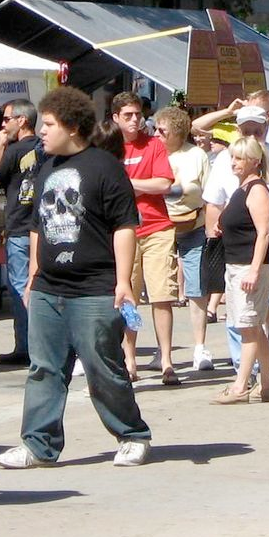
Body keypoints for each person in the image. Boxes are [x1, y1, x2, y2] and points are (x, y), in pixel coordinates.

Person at [0, 86, 151, 469]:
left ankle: (132, 435)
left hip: (94, 288)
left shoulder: (105, 167)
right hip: (50, 286)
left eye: (48, 124)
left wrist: (123, 282)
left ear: (71, 127)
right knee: (44, 368)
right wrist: (33, 274)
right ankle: (38, 445)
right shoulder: (45, 166)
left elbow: (124, 227)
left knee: (103, 368)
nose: (42, 131)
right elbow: (37, 226)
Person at [205, 97, 269, 380]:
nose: (252, 136)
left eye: (258, 131)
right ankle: (244, 368)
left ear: (267, 129)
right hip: (239, 248)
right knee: (240, 310)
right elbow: (214, 202)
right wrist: (212, 231)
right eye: (246, 130)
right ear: (238, 131)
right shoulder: (226, 162)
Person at [112, 92, 179, 385]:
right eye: (127, 115)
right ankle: (129, 359)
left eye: (137, 114)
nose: (134, 119)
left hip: (157, 227)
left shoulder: (153, 145)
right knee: (128, 298)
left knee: (162, 295)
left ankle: (166, 360)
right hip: (123, 230)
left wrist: (129, 185)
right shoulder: (109, 147)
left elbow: (163, 183)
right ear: (115, 117)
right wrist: (140, 187)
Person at [210, 136, 269, 404]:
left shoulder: (257, 190)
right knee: (252, 327)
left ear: (254, 161)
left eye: (239, 157)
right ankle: (267, 384)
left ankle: (240, 386)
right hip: (235, 265)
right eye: (232, 157)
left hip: (249, 267)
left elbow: (264, 233)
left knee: (247, 327)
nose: (234, 162)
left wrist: (254, 271)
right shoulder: (242, 188)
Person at [155, 106, 212, 371]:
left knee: (197, 287)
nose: (157, 135)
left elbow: (202, 192)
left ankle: (200, 347)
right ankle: (162, 350)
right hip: (159, 226)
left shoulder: (196, 155)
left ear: (178, 133)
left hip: (193, 225)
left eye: (162, 131)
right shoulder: (153, 152)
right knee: (160, 290)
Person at [0, 100, 40, 367]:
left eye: (6, 119)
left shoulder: (15, 149)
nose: (3, 124)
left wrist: (0, 144)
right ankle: (36, 344)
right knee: (41, 285)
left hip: (20, 226)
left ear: (22, 120)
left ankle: (29, 346)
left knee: (21, 286)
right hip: (42, 227)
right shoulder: (46, 148)